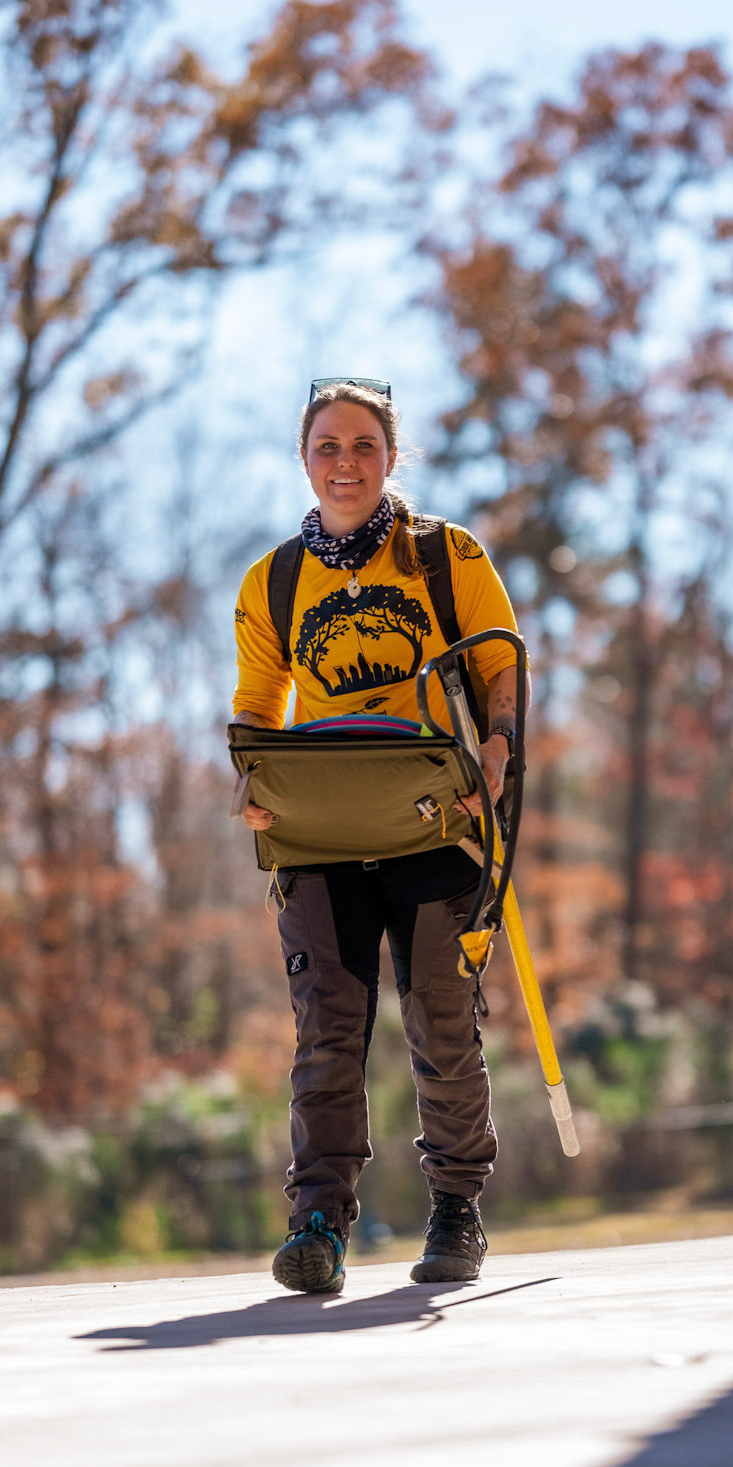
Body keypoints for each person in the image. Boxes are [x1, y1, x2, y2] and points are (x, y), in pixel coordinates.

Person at [232, 376, 525, 1296]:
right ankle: (317, 1224)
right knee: (326, 1030)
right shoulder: (274, 580)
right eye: (327, 446)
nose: (345, 462)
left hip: (436, 824)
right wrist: (252, 791)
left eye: (363, 445)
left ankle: (455, 1210)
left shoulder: (447, 555)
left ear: (391, 457)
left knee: (441, 1023)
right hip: (320, 835)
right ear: (304, 460)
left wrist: (500, 755)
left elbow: (498, 667)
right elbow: (255, 711)